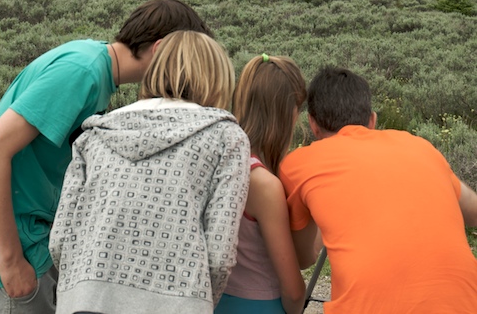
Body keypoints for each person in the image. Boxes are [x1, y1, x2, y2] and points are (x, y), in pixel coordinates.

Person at [0, 0, 213, 314]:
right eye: (188, 59)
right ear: (159, 50)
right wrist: (10, 260)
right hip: (3, 252)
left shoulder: (93, 64)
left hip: (24, 238)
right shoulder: (81, 72)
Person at [49, 30, 250, 314]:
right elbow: (219, 253)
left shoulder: (94, 135)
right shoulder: (225, 138)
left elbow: (60, 239)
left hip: (85, 300)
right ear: (217, 77)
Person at [279, 66, 477, 314]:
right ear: (372, 120)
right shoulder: (420, 146)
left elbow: (303, 258)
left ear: (313, 124)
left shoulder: (297, 164)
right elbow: (473, 212)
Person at [216, 54, 311, 314]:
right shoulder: (264, 184)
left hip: (215, 301)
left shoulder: (220, 159)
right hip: (259, 306)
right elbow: (293, 290)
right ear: (286, 113)